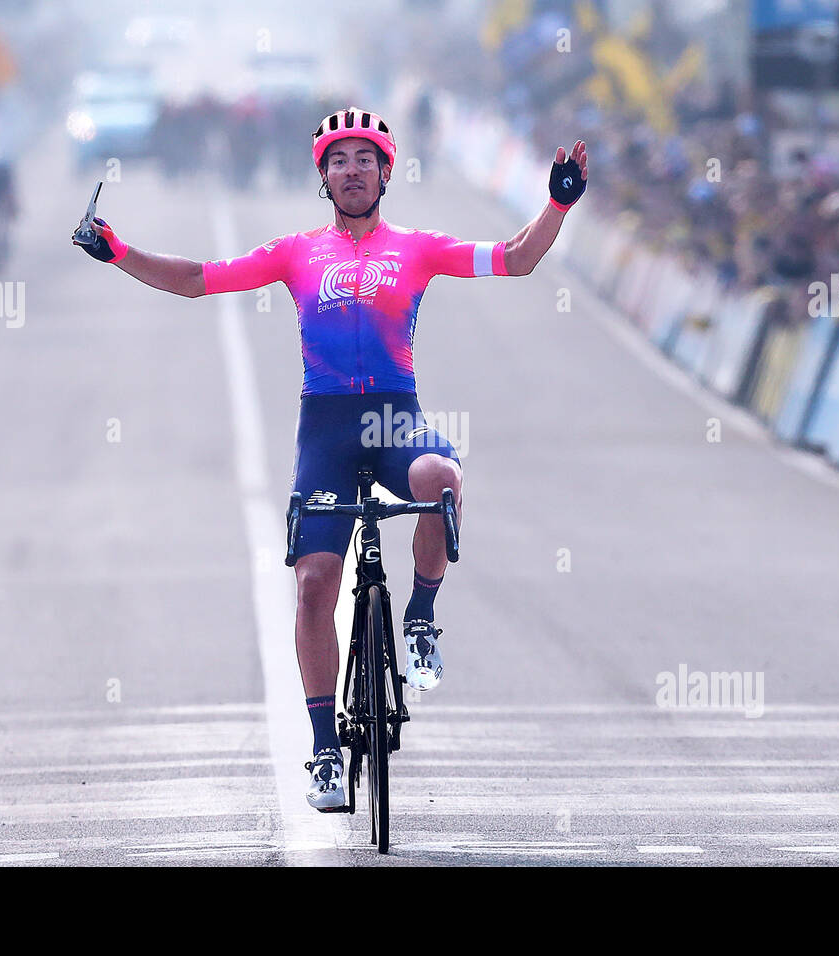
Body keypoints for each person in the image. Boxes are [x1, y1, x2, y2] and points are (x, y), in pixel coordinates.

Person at [73, 106, 588, 810]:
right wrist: (119, 250)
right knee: (315, 585)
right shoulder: (295, 252)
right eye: (338, 160)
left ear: (386, 172)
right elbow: (198, 279)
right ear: (323, 177)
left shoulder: (418, 248)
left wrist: (557, 202)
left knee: (441, 478)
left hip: (394, 420)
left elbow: (519, 257)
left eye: (364, 158)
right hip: (325, 430)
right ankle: (322, 750)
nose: (352, 170)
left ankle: (420, 619)